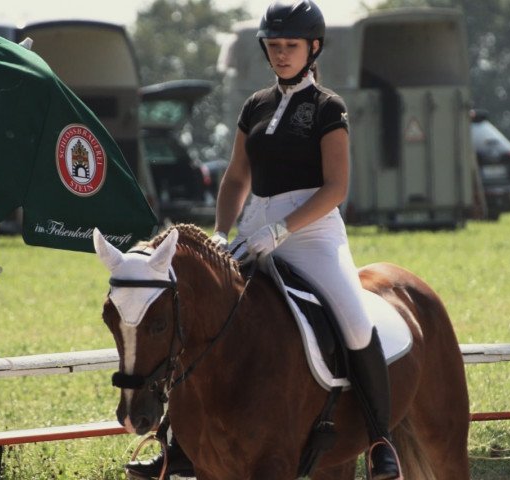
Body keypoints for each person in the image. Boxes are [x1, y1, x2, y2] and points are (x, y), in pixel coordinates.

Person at [127, 1, 401, 479]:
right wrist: (220, 231)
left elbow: (337, 187)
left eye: (290, 46)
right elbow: (235, 179)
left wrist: (285, 228)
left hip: (312, 232)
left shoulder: (327, 107)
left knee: (355, 322)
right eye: (274, 46)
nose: (281, 54)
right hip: (254, 226)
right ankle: (177, 443)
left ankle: (380, 441)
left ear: (313, 48)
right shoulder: (255, 105)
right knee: (197, 314)